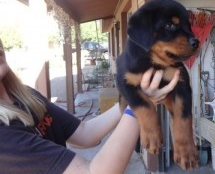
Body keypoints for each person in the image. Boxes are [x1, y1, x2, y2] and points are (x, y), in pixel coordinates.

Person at [0, 39, 180, 174]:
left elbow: (85, 133)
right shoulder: (4, 137)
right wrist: (140, 105)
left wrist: (129, 100)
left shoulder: (27, 96)